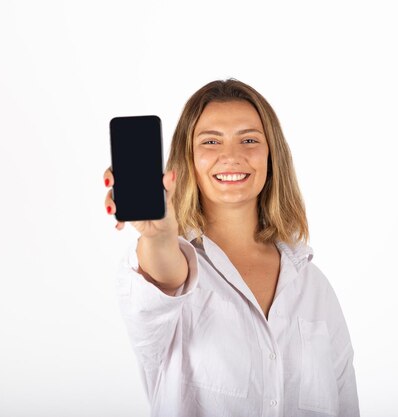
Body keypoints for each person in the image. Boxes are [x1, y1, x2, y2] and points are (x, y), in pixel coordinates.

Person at [103, 79, 359, 417]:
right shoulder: (174, 264)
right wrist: (158, 236)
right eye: (210, 141)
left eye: (249, 139)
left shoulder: (313, 285)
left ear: (272, 156)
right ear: (188, 158)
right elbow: (164, 276)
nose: (231, 156)